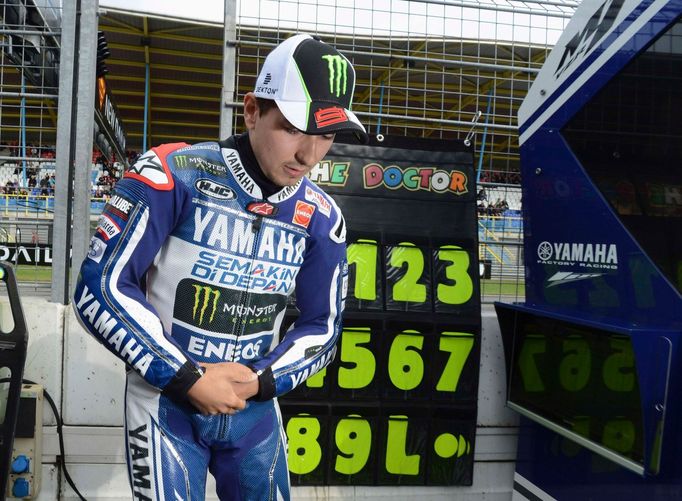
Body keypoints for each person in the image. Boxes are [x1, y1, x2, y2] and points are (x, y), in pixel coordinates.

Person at [73, 33, 367, 501]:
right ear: (252, 110)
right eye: (293, 128)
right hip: (166, 402)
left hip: (255, 408)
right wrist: (187, 376)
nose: (308, 155)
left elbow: (323, 328)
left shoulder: (324, 220)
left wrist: (261, 380)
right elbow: (99, 287)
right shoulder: (171, 173)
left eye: (326, 135)